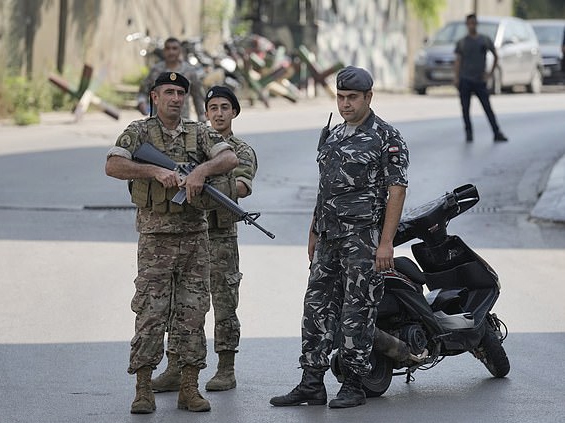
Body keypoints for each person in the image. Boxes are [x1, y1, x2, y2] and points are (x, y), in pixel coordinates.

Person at [269, 66, 409, 409]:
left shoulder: (386, 137)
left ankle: (354, 383)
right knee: (315, 307)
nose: (345, 104)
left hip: (363, 239)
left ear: (368, 98)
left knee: (357, 311)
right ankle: (311, 382)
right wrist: (314, 230)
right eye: (341, 97)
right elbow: (325, 188)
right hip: (329, 239)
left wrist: (386, 242)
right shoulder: (333, 136)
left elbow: (397, 190)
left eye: (352, 98)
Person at [105, 71, 238, 414]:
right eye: (168, 92)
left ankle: (189, 387)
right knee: (150, 314)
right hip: (155, 241)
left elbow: (229, 158)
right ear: (154, 97)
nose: (175, 98)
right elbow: (113, 165)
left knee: (193, 314)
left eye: (180, 93)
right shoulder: (138, 132)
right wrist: (153, 172)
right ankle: (144, 389)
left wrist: (201, 172)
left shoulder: (199, 132)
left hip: (195, 239)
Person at [150, 86, 257, 394]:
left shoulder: (239, 151)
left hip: (220, 236)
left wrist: (204, 179)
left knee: (224, 303)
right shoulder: (194, 146)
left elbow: (241, 187)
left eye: (225, 107)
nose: (219, 113)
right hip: (186, 234)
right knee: (179, 304)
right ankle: (175, 366)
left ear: (234, 112)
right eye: (213, 108)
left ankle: (226, 368)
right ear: (206, 113)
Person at [453, 13, 508, 143]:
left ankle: (496, 132)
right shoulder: (462, 42)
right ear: (467, 25)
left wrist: (489, 73)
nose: (472, 26)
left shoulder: (484, 40)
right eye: (469, 23)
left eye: (474, 23)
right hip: (465, 79)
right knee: (465, 109)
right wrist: (456, 77)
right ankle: (469, 133)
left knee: (487, 108)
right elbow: (458, 60)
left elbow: (495, 56)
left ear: (477, 24)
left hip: (479, 80)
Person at [137, 37, 206, 122]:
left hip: (182, 123)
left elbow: (197, 96)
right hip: (158, 124)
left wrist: (201, 116)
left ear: (180, 51)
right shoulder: (156, 70)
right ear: (164, 51)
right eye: (168, 48)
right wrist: (142, 103)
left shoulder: (189, 71)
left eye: (174, 48)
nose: (171, 52)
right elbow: (143, 91)